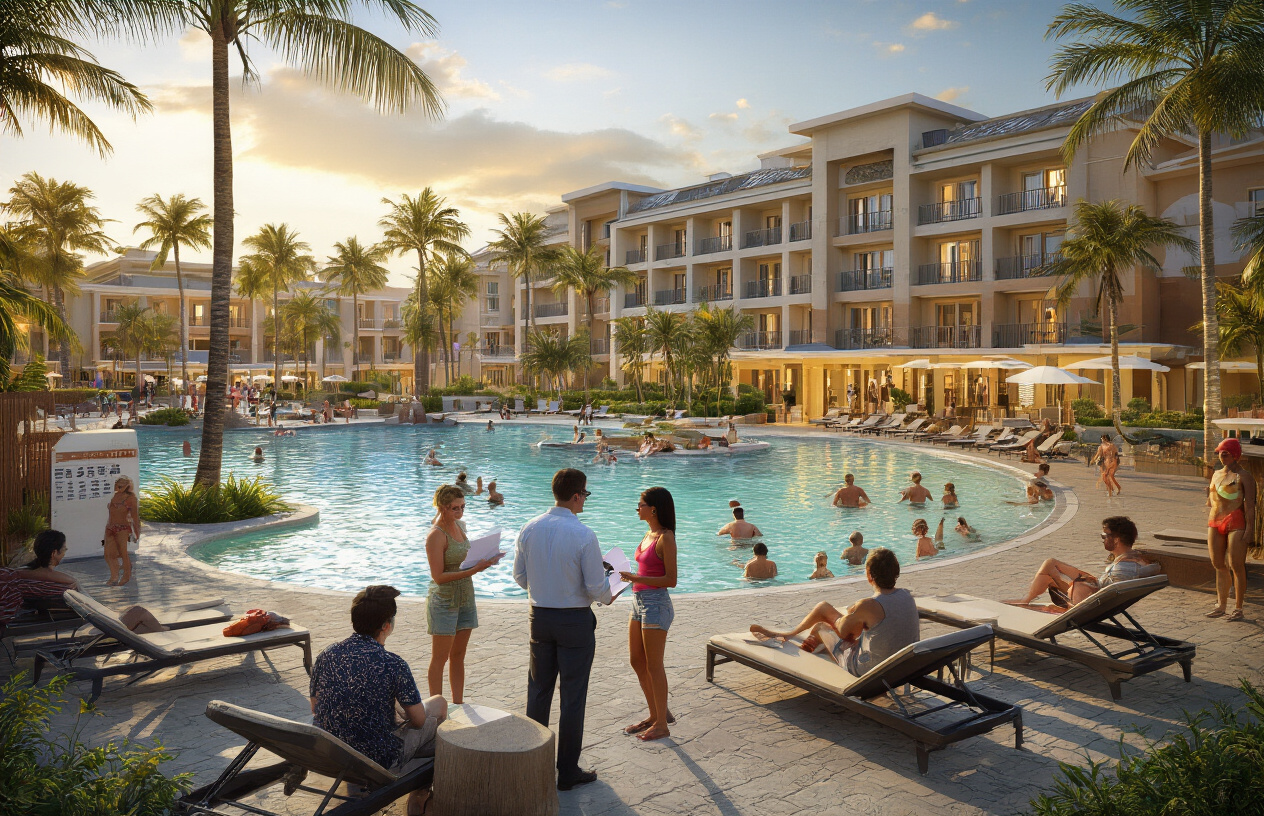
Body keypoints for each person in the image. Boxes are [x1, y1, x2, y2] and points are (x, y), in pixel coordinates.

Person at [513, 468, 611, 791]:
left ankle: (532, 763)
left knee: (538, 692)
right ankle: (567, 771)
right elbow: (599, 589)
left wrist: (546, 588)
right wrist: (610, 589)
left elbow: (520, 577)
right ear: (576, 496)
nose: (585, 500)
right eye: (585, 494)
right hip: (574, 623)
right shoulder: (584, 535)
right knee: (572, 697)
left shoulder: (528, 528)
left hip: (539, 618)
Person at [310, 585, 447, 816]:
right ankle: (419, 795)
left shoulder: (327, 654)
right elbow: (419, 721)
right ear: (386, 625)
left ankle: (416, 791)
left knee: (421, 709)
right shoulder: (392, 663)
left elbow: (315, 707)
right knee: (440, 706)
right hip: (378, 758)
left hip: (333, 752)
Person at [749, 548, 919, 675]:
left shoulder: (869, 606)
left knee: (821, 626)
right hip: (904, 667)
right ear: (896, 572)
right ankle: (798, 639)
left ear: (869, 575)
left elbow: (844, 632)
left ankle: (793, 641)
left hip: (870, 669)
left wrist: (849, 613)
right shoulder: (906, 596)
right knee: (829, 615)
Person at [425, 485, 500, 704]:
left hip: (466, 597)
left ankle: (458, 703)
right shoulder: (436, 536)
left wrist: (485, 559)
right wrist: (475, 570)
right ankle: (436, 708)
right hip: (445, 601)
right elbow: (438, 577)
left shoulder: (460, 526)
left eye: (462, 507)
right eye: (454, 508)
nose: (460, 512)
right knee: (440, 658)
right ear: (442, 507)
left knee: (458, 655)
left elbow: (463, 560)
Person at [618, 487, 679, 742]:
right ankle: (656, 715)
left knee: (654, 665)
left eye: (640, 504)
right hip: (638, 600)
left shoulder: (666, 537)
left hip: (655, 603)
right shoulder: (648, 533)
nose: (637, 508)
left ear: (653, 508)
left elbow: (671, 580)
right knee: (636, 660)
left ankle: (662, 724)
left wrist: (635, 577)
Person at [1004, 516, 1154, 606]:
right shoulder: (1135, 560)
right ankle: (1026, 600)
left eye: (1104, 536)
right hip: (1095, 590)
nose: (1102, 539)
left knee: (1050, 568)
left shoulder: (1123, 569)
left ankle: (1025, 601)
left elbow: (1102, 597)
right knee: (1051, 565)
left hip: (1088, 600)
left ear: (1117, 539)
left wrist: (1078, 583)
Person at [1206, 438, 1256, 621]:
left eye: (1226, 452)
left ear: (1235, 454)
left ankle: (1238, 607)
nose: (1222, 455)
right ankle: (1221, 604)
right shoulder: (1215, 473)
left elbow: (1250, 505)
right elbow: (1211, 500)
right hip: (1215, 520)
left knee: (1236, 565)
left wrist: (1250, 529)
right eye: (1220, 452)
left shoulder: (1244, 476)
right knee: (1218, 564)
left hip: (1236, 521)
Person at [103, 477, 140, 585]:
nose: (117, 488)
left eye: (120, 486)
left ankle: (126, 575)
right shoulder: (115, 496)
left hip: (122, 528)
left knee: (123, 554)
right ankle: (114, 576)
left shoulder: (131, 499)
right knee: (108, 555)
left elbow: (135, 517)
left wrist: (137, 533)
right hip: (110, 527)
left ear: (127, 486)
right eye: (116, 485)